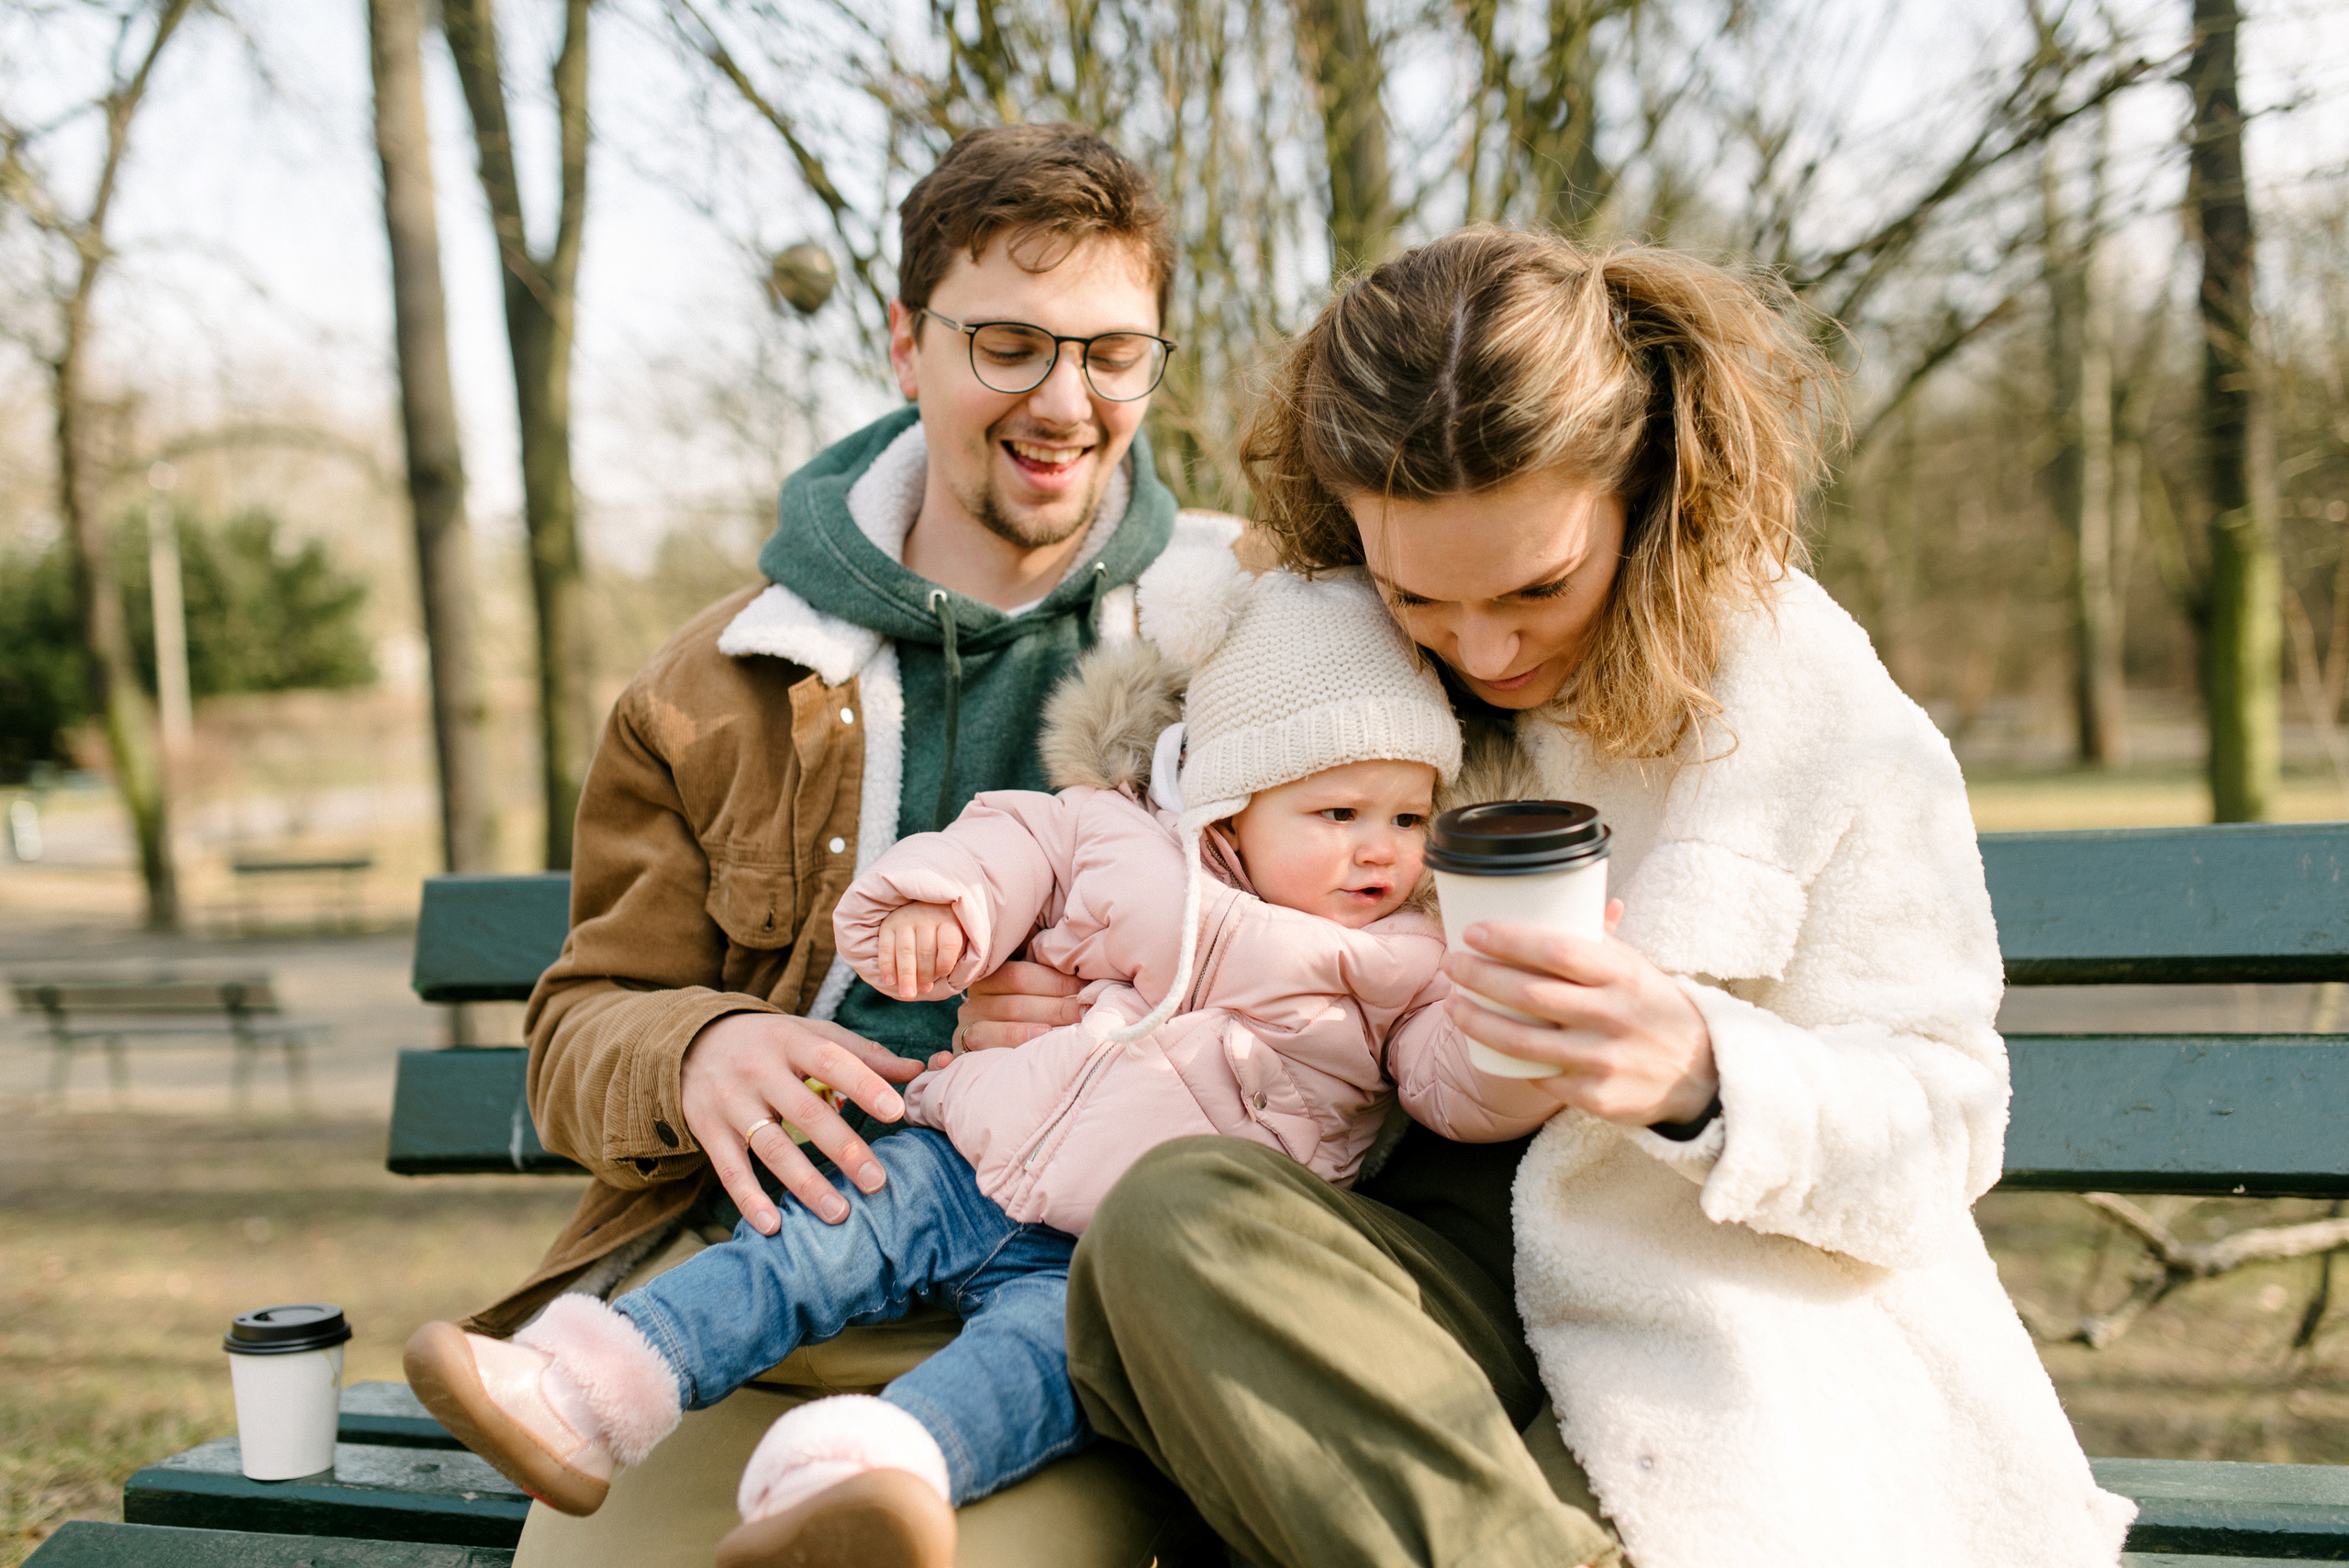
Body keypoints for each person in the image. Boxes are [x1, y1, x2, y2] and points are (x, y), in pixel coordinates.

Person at [1044, 228, 2140, 1568]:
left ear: (1644, 490)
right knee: (1164, 1226)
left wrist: (1701, 1071)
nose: (1487, 647)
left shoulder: (1809, 705)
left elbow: (1946, 1125)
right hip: (1397, 1277)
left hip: (1698, 1317)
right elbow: (1180, 880)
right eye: (1422, 595)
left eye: (1539, 585)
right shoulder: (1322, 656)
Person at [462, 123, 1252, 1565]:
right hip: (740, 1317)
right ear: (907, 345)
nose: (1066, 400)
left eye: (1112, 352)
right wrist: (698, 1051)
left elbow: (1365, 942)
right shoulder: (714, 684)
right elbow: (575, 1033)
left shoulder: (1247, 638)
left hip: (1071, 1329)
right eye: (1008, 344)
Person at [406, 564, 1468, 1568]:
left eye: (1408, 820)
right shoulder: (1108, 818)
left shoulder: (1394, 935)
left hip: (1119, 1259)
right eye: (1010, 352)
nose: (1379, 848)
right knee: (820, 1235)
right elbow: (1009, 844)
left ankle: (867, 1473)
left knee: (1035, 1365)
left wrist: (1513, 1022)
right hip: (944, 1149)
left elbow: (1445, 1075)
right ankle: (589, 1386)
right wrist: (907, 924)